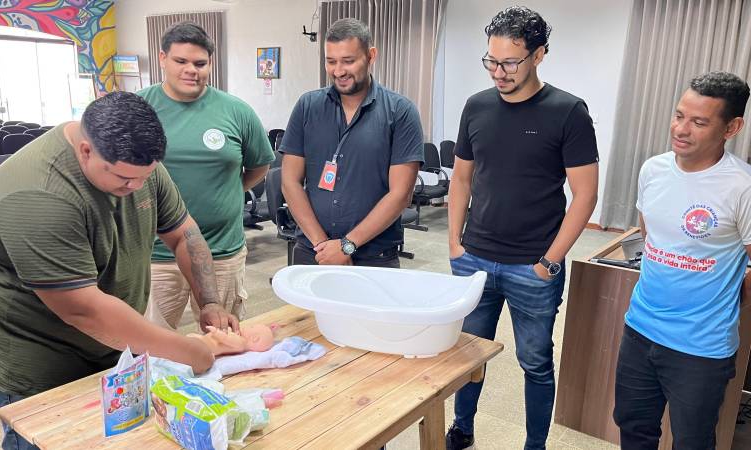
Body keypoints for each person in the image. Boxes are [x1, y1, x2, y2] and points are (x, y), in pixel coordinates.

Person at [0, 91, 238, 450]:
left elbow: (184, 234)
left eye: (145, 176)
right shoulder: (36, 194)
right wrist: (189, 351)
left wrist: (210, 302)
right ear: (85, 151)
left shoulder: (137, 165)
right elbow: (84, 310)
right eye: (125, 179)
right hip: (36, 358)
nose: (136, 187)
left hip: (112, 345)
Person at [445, 6, 599, 450]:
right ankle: (462, 429)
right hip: (474, 258)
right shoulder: (476, 106)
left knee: (535, 363)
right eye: (491, 61)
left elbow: (585, 195)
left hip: (533, 265)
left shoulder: (568, 111)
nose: (499, 72)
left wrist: (550, 262)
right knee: (468, 354)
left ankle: (535, 445)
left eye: (510, 62)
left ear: (539, 55)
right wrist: (454, 243)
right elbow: (461, 178)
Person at [612, 71, 751, 449]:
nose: (681, 129)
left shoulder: (742, 186)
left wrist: (728, 299)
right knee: (633, 427)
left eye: (699, 122)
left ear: (732, 127)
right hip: (640, 329)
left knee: (692, 441)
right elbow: (650, 235)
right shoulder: (653, 169)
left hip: (701, 346)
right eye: (678, 116)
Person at [138, 21, 274, 330]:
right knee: (149, 344)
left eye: (200, 63)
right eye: (181, 61)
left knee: (225, 339)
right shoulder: (139, 109)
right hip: (157, 255)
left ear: (210, 64)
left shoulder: (236, 111)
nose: (191, 70)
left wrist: (230, 191)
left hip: (221, 251)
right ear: (162, 59)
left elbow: (259, 165)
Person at [280, 18, 423, 268]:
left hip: (373, 258)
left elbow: (401, 194)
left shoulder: (400, 111)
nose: (338, 71)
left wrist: (347, 245)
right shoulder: (307, 107)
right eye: (331, 61)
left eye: (348, 61)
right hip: (313, 252)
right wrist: (323, 246)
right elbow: (290, 182)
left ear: (371, 55)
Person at [188, 323, 275, 355]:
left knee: (192, 342)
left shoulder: (241, 343)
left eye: (251, 327)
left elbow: (225, 338)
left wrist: (216, 332)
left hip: (207, 346)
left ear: (254, 338)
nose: (247, 327)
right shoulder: (240, 341)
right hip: (206, 343)